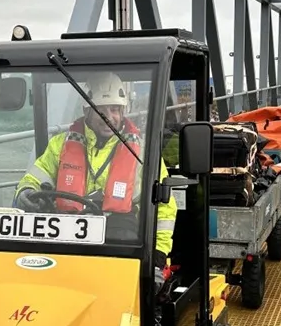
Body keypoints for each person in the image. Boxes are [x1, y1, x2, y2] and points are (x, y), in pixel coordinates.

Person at [13, 71, 177, 277]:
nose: (109, 117)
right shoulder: (61, 144)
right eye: (100, 110)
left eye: (115, 109)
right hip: (66, 234)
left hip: (121, 240)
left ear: (123, 110)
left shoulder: (144, 152)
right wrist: (26, 191)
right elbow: (35, 177)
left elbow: (164, 206)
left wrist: (159, 254)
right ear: (86, 110)